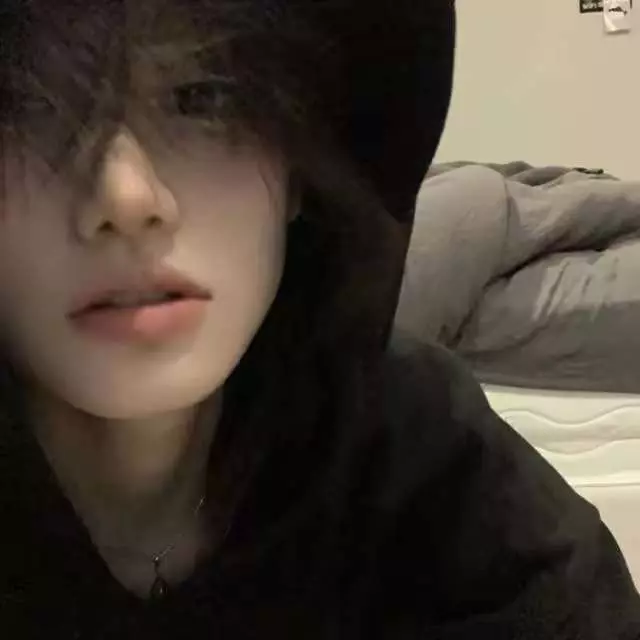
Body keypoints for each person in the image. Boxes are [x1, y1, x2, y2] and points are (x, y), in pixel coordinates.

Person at [0, 0, 638, 637]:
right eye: (29, 109)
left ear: (299, 166)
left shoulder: (406, 441)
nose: (127, 199)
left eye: (202, 98)